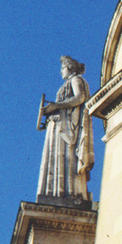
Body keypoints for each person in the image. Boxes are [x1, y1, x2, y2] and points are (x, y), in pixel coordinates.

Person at [37, 56, 94, 203]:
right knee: (57, 157)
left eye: (62, 68)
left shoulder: (76, 80)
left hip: (67, 127)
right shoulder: (69, 82)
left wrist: (56, 106)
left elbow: (80, 97)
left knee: (65, 157)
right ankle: (56, 191)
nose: (60, 71)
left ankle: (67, 192)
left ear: (70, 68)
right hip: (58, 124)